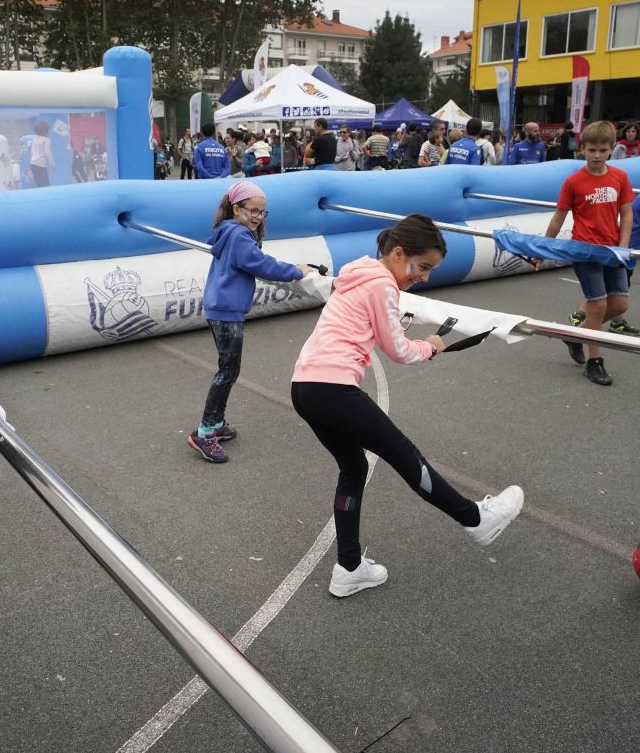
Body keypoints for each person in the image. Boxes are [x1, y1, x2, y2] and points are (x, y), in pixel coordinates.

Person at [290, 213, 524, 597]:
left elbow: (373, 324)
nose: (425, 277)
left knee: (353, 468)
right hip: (333, 388)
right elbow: (398, 351)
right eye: (423, 267)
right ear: (399, 253)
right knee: (404, 456)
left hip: (305, 387)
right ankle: (475, 518)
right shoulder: (382, 284)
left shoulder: (358, 274)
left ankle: (348, 568)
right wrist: (432, 345)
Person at [187, 181, 306, 463]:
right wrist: (296, 271)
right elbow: (261, 264)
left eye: (263, 213)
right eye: (253, 210)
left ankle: (215, 424)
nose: (258, 217)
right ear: (236, 208)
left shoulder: (229, 232)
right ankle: (204, 432)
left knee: (227, 369)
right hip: (226, 310)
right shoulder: (239, 236)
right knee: (227, 371)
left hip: (221, 308)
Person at [545, 120, 634, 386]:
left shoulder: (620, 177)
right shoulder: (573, 182)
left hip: (613, 250)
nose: (597, 156)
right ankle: (595, 362)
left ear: (611, 149)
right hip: (584, 250)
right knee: (597, 306)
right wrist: (542, 248)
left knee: (620, 304)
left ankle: (575, 335)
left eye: (603, 150)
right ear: (582, 149)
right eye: (592, 150)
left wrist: (623, 246)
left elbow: (626, 212)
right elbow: (558, 217)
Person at [573, 161, 640, 337]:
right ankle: (587, 318)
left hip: (625, 248)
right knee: (617, 291)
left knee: (611, 288)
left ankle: (604, 318)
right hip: (625, 250)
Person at [27, 121, 55, 187]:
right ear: (45, 131)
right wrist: (52, 164)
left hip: (33, 164)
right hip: (41, 164)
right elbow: (48, 153)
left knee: (39, 184)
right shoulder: (46, 140)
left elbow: (31, 152)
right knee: (45, 184)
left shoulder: (35, 138)